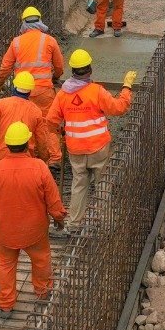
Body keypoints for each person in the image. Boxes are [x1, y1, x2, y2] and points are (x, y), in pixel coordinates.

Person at [0, 122, 66, 314]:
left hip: (4, 232)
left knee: (5, 266)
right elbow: (53, 199)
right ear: (28, 143)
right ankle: (42, 291)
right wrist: (58, 218)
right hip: (35, 231)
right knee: (41, 260)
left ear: (7, 145)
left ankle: (6, 304)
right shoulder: (39, 167)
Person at [45, 51, 134, 235]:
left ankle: (74, 223)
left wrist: (62, 131)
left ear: (73, 71)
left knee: (79, 184)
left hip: (76, 149)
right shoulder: (97, 91)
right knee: (103, 184)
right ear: (90, 70)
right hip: (99, 147)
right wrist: (126, 87)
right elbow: (119, 108)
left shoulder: (63, 94)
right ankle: (105, 223)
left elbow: (51, 121)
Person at [0, 6, 65, 163]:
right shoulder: (50, 40)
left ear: (24, 23)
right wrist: (55, 77)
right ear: (40, 21)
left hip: (22, 93)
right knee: (48, 123)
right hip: (44, 91)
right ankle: (54, 158)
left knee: (26, 123)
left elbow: (5, 67)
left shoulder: (16, 43)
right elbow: (59, 66)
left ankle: (31, 157)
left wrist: (0, 82)